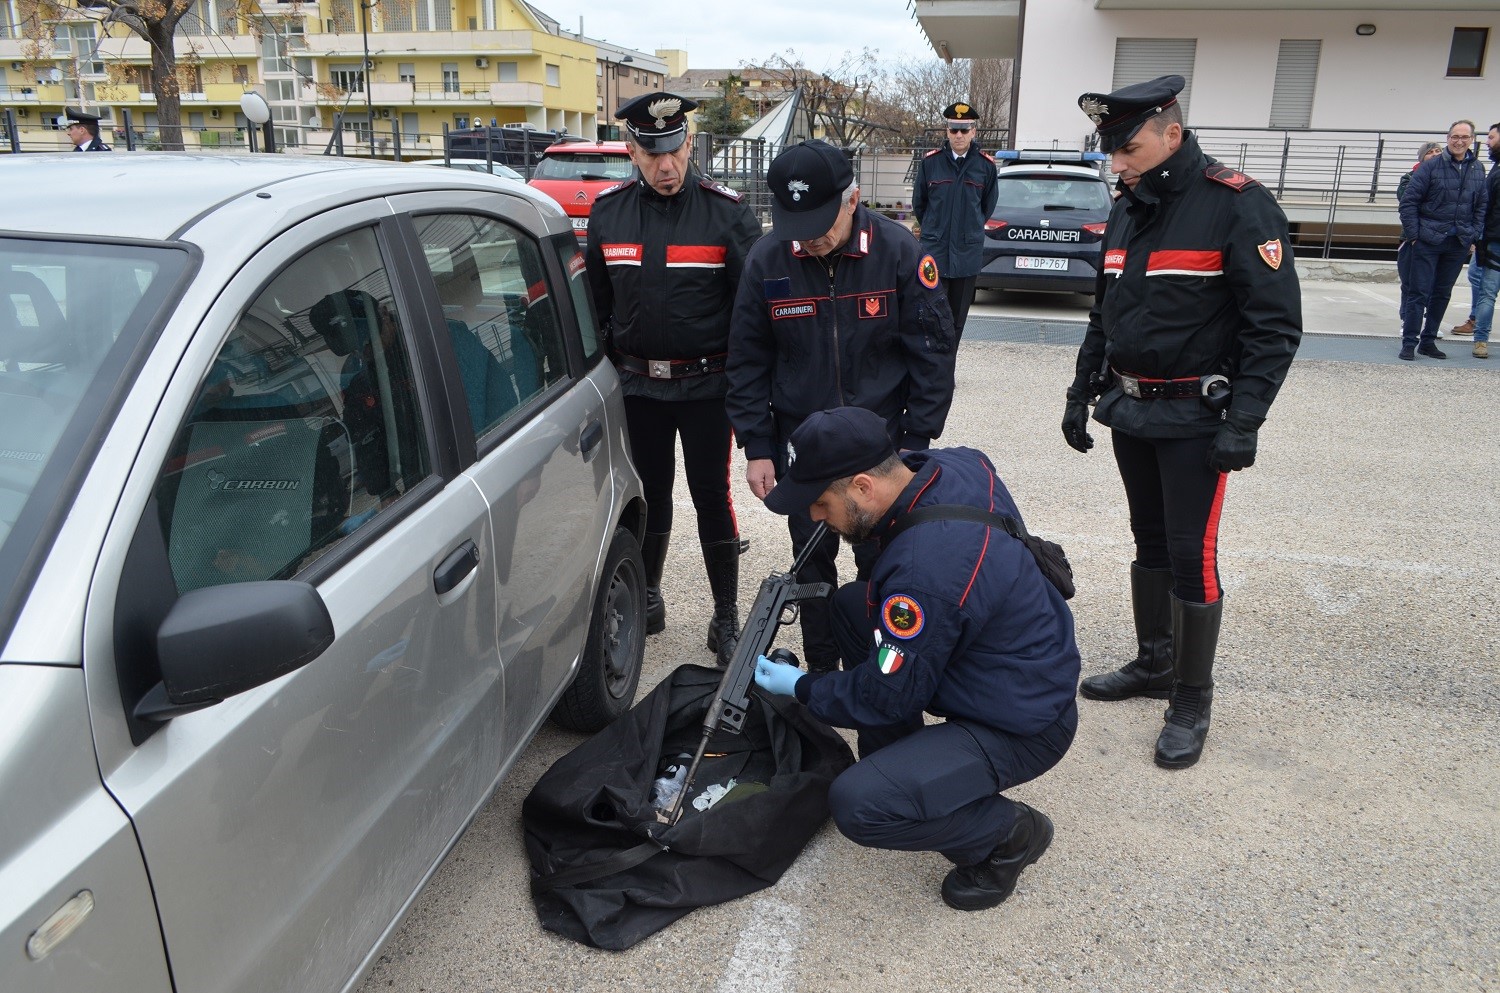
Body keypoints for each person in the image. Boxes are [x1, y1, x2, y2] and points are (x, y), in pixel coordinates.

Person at [750, 406, 1079, 911]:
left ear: (863, 487)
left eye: (820, 503)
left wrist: (801, 687)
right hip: (1004, 660)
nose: (815, 516)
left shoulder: (923, 577)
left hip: (1024, 720)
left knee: (858, 805)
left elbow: (884, 692)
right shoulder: (950, 466)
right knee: (849, 606)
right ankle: (902, 765)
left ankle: (1008, 835)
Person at [1063, 75, 1302, 769]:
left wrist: (1245, 421)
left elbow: (1275, 327)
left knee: (1191, 550)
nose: (1117, 162)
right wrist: (1081, 392)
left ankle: (1192, 697)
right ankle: (1154, 662)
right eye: (1110, 150)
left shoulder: (1239, 207)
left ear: (1173, 133)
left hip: (1198, 415)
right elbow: (1103, 314)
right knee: (1148, 538)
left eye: (1128, 147)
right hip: (1132, 407)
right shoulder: (1128, 206)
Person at [727, 139, 957, 675]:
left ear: (852, 199)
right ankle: (823, 670)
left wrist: (915, 442)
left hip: (882, 449)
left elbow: (933, 356)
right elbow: (745, 361)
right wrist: (757, 446)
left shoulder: (900, 254)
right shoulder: (766, 259)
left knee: (887, 562)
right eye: (795, 224)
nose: (807, 238)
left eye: (819, 222)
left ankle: (883, 669)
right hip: (801, 447)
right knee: (811, 563)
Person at [585, 92, 763, 665]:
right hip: (639, 390)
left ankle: (726, 616)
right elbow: (595, 304)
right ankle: (650, 596)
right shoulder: (608, 214)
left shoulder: (726, 212)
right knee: (650, 496)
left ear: (689, 143)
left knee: (712, 496)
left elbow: (751, 310)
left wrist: (748, 387)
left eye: (676, 151)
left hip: (708, 388)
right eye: (653, 154)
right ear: (632, 151)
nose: (668, 167)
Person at [1398, 119, 1488, 360]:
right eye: (1454, 137)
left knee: (1442, 293)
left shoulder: (1477, 169)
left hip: (1457, 243)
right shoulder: (1431, 167)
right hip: (1427, 240)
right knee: (1418, 292)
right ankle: (1409, 343)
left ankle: (1428, 341)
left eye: (1464, 137)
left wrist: (1473, 235)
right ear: (1448, 138)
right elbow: (1409, 203)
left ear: (1471, 140)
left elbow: (1481, 206)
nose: (1459, 141)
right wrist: (1415, 236)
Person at [911, 101, 998, 343]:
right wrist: (934, 229)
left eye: (964, 129)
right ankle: (931, 368)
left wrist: (968, 229)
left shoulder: (985, 166)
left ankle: (947, 371)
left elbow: (986, 207)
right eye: (953, 129)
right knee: (930, 314)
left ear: (974, 131)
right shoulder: (930, 163)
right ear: (947, 131)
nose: (958, 135)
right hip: (935, 252)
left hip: (966, 254)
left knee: (957, 319)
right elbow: (920, 204)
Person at [1450, 123, 1500, 358]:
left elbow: (1486, 207)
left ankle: (1480, 339)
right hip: (1491, 240)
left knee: (1487, 292)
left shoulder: (1495, 172)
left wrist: (1478, 237)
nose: (1487, 142)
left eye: (1491, 137)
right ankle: (1477, 329)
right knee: (1482, 286)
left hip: (1493, 241)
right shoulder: (1494, 169)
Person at [1398, 142, 1445, 337]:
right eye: (1430, 152)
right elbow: (1408, 202)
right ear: (1422, 157)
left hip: (1439, 238)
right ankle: (1407, 321)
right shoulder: (1409, 178)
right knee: (1410, 283)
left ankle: (1428, 324)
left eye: (1438, 152)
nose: (1434, 155)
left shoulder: (1449, 178)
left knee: (1434, 285)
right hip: (1413, 239)